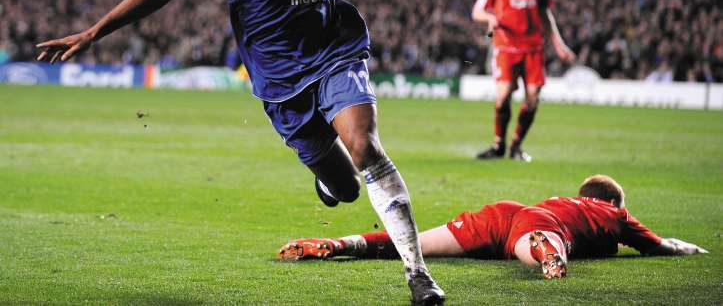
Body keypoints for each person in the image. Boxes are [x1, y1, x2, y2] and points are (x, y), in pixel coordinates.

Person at [35, 0, 547, 306]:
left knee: (365, 146)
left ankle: (418, 275)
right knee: (345, 189)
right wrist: (92, 33)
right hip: (279, 84)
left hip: (335, 55)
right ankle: (330, 181)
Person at [278, 174, 708, 279]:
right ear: (612, 202)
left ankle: (340, 242)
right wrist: (691, 248)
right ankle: (545, 250)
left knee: (412, 244)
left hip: (501, 215)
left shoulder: (564, 199)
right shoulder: (614, 213)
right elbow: (659, 247)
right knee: (539, 240)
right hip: (538, 224)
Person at [472, 0, 575, 162]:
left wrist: (558, 44)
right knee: (503, 96)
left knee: (532, 100)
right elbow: (477, 12)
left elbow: (545, 15)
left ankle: (516, 146)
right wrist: (490, 19)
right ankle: (498, 144)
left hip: (533, 48)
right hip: (505, 47)